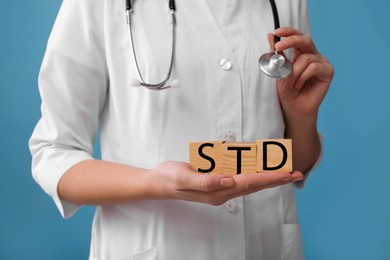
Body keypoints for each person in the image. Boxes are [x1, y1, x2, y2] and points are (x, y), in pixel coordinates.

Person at [29, 0, 334, 259]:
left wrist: (301, 117)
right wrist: (153, 183)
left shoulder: (283, 3)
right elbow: (54, 153)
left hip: (265, 246)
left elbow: (294, 164)